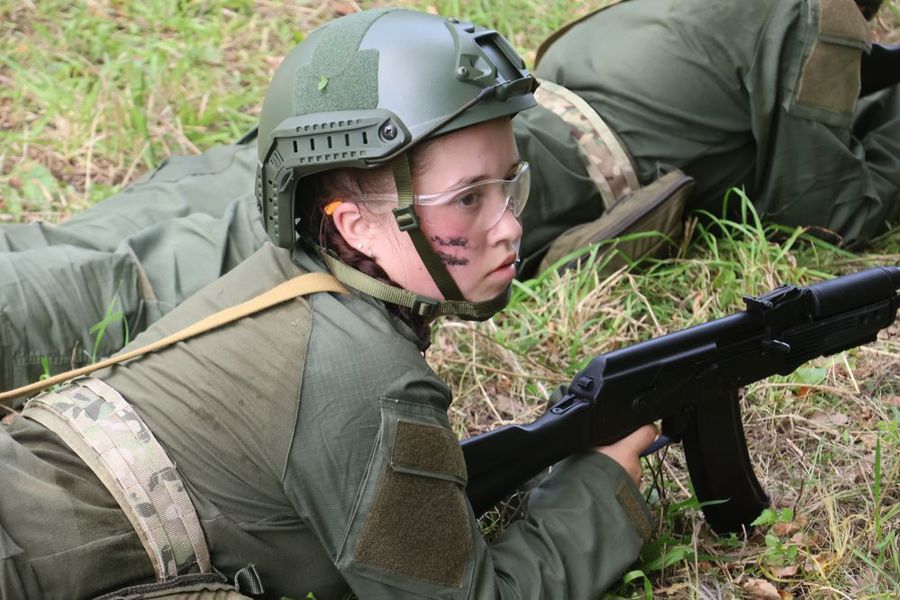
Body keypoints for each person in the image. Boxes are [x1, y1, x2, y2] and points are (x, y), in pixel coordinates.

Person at [0, 9, 657, 599]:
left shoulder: (281, 277)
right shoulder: (362, 377)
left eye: (510, 183)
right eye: (467, 199)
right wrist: (601, 489)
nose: (511, 226)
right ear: (355, 226)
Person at [1, 0, 897, 390]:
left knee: (147, 229)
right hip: (485, 172)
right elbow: (836, 209)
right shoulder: (812, 16)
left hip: (427, 135)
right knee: (145, 284)